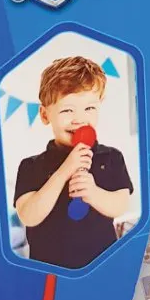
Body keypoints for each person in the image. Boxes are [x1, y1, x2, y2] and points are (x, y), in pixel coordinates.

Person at [13, 56, 133, 268]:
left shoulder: (112, 157)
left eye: (89, 108)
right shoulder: (30, 166)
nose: (79, 119)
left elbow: (120, 206)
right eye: (67, 110)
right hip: (50, 270)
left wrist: (93, 193)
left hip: (101, 266)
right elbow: (28, 216)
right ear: (44, 115)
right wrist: (64, 170)